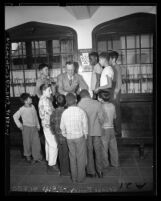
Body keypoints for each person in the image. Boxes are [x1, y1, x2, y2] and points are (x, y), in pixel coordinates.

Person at [60, 93, 88, 183]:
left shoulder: (64, 113)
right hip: (79, 137)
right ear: (76, 100)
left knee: (72, 157)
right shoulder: (81, 111)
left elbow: (62, 127)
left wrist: (65, 134)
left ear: (66, 102)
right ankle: (80, 178)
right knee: (81, 157)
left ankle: (74, 178)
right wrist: (86, 134)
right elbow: (85, 125)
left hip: (69, 138)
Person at [78, 89, 104, 178]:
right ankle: (100, 171)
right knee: (98, 151)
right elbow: (101, 119)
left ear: (81, 97)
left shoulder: (79, 105)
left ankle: (91, 171)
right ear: (89, 95)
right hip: (96, 131)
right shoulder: (97, 103)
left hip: (86, 133)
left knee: (89, 151)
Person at [13, 93, 42, 163]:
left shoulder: (33, 107)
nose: (31, 99)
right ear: (25, 101)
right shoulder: (22, 109)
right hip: (26, 129)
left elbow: (35, 117)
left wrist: (38, 125)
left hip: (34, 128)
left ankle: (36, 157)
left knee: (36, 143)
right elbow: (15, 116)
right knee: (27, 143)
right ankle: (28, 156)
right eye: (30, 98)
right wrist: (20, 125)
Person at [38, 84, 59, 173]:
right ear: (44, 90)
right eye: (49, 90)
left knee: (48, 143)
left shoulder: (43, 99)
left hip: (45, 124)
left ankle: (48, 160)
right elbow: (51, 112)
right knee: (54, 144)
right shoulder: (45, 100)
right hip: (48, 124)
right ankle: (52, 164)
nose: (51, 92)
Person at [98, 91, 119, 168]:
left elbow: (100, 119)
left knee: (104, 148)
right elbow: (114, 117)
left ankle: (105, 164)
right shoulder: (112, 106)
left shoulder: (101, 107)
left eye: (99, 97)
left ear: (101, 99)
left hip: (104, 129)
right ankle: (115, 163)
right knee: (113, 147)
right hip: (112, 128)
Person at [50, 94, 70, 176]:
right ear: (65, 103)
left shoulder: (53, 112)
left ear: (56, 102)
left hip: (58, 137)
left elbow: (51, 124)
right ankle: (65, 171)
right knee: (66, 154)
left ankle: (62, 170)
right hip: (66, 136)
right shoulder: (67, 112)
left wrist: (54, 132)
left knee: (61, 153)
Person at [109, 51, 122, 136]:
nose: (108, 60)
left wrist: (115, 93)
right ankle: (115, 131)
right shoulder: (112, 67)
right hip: (112, 91)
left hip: (115, 92)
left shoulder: (116, 67)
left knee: (116, 112)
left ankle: (118, 132)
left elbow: (119, 82)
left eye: (109, 58)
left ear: (113, 59)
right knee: (112, 111)